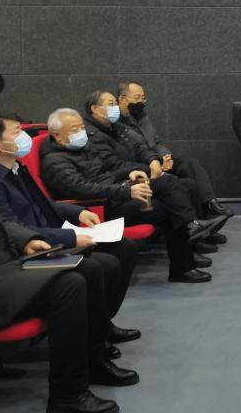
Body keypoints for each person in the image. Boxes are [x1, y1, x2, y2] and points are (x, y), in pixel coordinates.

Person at [0, 129, 128, 413]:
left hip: (5, 266)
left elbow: (2, 223)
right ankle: (68, 393)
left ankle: (94, 360)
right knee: (68, 285)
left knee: (86, 267)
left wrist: (28, 240)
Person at [0, 111, 142, 351]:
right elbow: (11, 228)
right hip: (32, 246)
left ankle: (101, 324)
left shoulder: (13, 166)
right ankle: (95, 338)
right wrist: (71, 237)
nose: (24, 137)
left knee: (124, 248)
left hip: (48, 233)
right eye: (17, 132)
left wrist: (76, 213)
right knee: (98, 266)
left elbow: (40, 203)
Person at [39, 107, 217, 284]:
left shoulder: (83, 149)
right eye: (75, 129)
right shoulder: (54, 161)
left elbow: (107, 171)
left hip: (115, 194)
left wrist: (128, 175)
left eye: (82, 127)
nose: (81, 132)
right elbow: (82, 190)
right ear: (58, 136)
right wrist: (126, 190)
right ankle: (184, 258)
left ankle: (190, 229)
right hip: (97, 209)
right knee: (166, 208)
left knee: (180, 185)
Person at [117, 80, 231, 244]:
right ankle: (198, 227)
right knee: (187, 184)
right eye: (137, 98)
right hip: (143, 167)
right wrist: (156, 161)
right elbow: (133, 152)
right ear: (122, 99)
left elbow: (157, 141)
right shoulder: (116, 124)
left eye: (143, 98)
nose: (141, 102)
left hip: (157, 160)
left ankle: (211, 206)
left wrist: (166, 156)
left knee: (189, 163)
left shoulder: (142, 116)